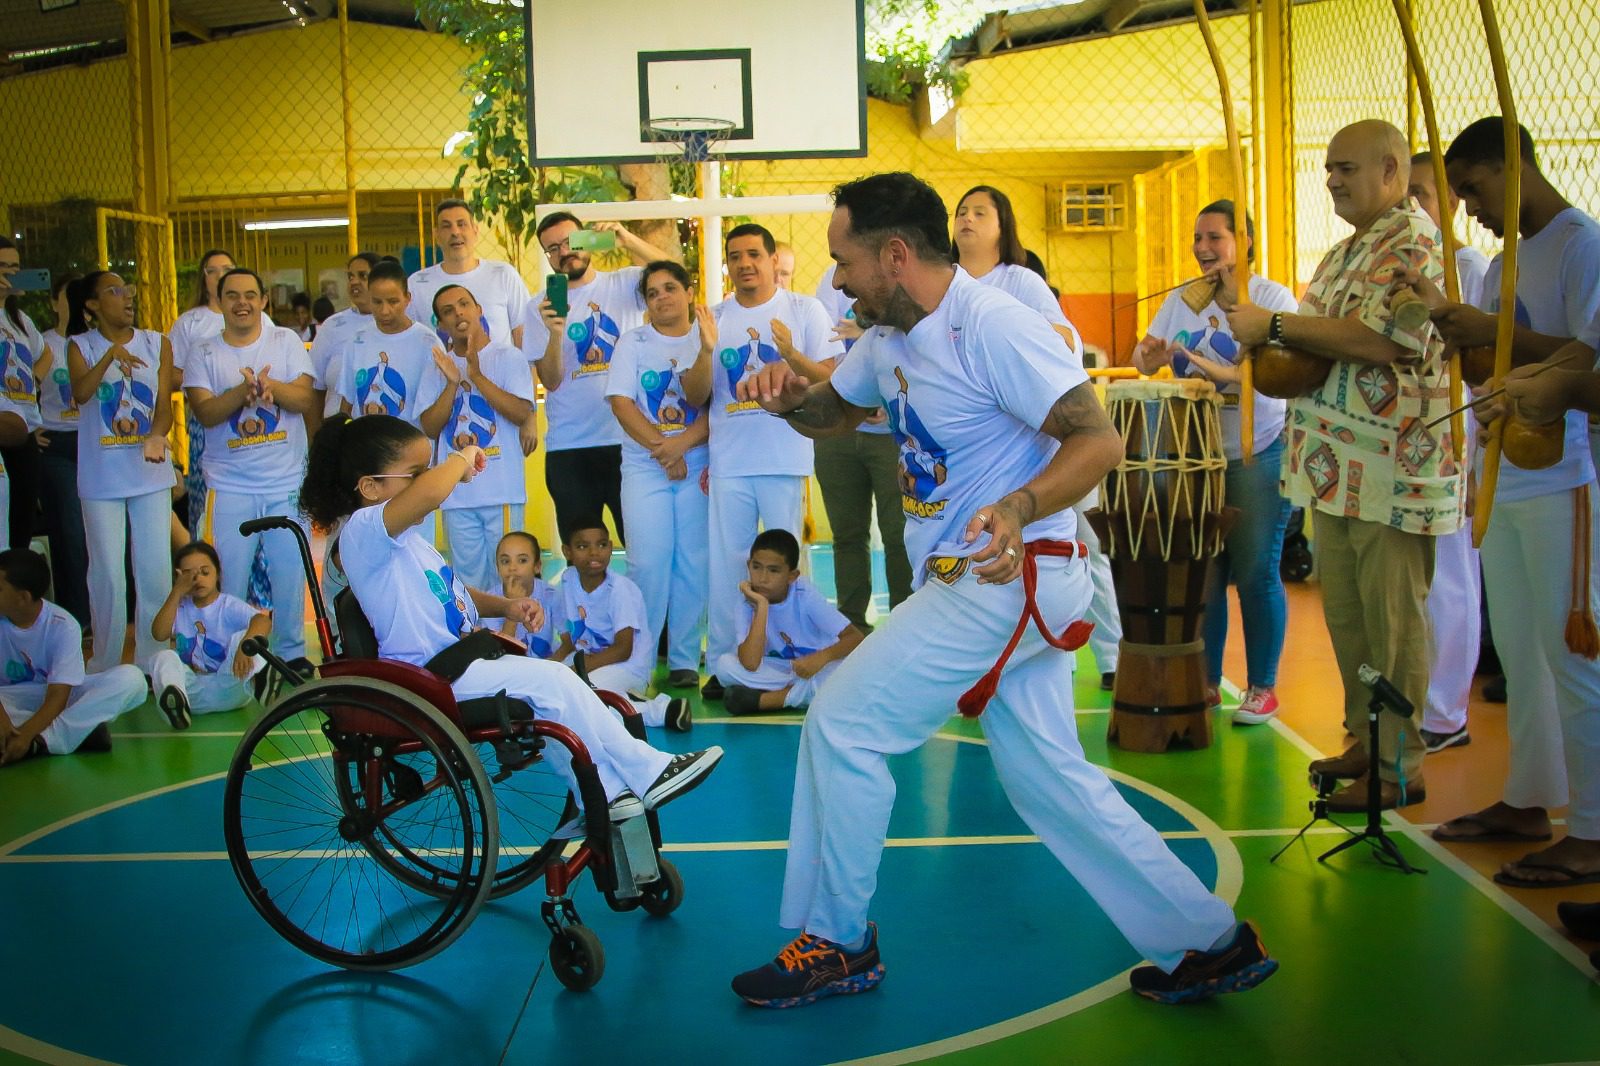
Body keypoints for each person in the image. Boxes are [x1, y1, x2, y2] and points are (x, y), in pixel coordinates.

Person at [730, 172, 1274, 1008]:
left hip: (1000, 576)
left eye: (844, 261)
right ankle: (1209, 941)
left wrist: (1019, 505)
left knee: (842, 724)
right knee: (1049, 778)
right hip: (996, 581)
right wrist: (783, 398)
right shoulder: (887, 341)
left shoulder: (993, 327)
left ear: (897, 255)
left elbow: (1098, 442)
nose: (836, 279)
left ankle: (839, 942)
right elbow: (832, 413)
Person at [298, 412, 722, 816]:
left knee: (551, 700)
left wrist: (505, 606)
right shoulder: (362, 533)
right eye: (414, 474)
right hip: (429, 677)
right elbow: (431, 492)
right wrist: (459, 458)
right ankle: (647, 770)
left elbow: (454, 593)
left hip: (457, 663)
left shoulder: (410, 541)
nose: (424, 482)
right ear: (370, 487)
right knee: (556, 678)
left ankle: (607, 795)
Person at [1226, 119, 1460, 811]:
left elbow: (1387, 341)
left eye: (1346, 168)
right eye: (1329, 168)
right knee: (1352, 622)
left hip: (1394, 473)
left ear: (1391, 171)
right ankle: (1365, 738)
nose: (1332, 179)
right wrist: (1271, 350)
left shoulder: (1415, 242)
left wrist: (1271, 327)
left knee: (1394, 623)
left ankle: (1400, 764)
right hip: (1333, 470)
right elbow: (1314, 348)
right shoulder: (1342, 253)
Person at [1415, 119, 1600, 889]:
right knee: (1522, 656)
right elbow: (1499, 365)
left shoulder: (1580, 245)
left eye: (1478, 187)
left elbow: (1584, 361)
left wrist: (1491, 335)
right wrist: (1469, 346)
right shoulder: (1497, 267)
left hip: (1568, 476)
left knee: (1573, 655)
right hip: (1508, 474)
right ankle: (1530, 800)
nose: (1469, 206)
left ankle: (1591, 830)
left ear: (1517, 166)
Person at [1132, 200, 1299, 725]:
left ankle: (1262, 686)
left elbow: (1257, 377)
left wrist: (1199, 366)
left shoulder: (1269, 298)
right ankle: (1206, 682)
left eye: (1216, 238)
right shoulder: (1182, 298)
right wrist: (1152, 354)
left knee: (1254, 572)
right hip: (1197, 454)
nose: (1202, 248)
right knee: (1205, 573)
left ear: (1245, 241)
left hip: (1257, 451)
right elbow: (1143, 358)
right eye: (1197, 238)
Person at [954, 187, 1120, 688]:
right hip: (986, 453)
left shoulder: (1019, 281)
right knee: (995, 552)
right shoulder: (948, 286)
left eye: (979, 212)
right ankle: (1031, 654)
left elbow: (1066, 341)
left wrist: (1008, 339)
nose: (966, 219)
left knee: (1081, 546)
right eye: (961, 211)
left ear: (1002, 226)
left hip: (1045, 444)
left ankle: (1114, 655)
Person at [682, 223, 841, 700]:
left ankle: (797, 652)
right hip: (730, 461)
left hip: (784, 456)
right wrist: (708, 350)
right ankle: (725, 663)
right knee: (729, 565)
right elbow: (696, 395)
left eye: (754, 254)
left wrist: (790, 354)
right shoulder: (713, 316)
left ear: (775, 261)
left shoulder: (804, 310)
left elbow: (832, 374)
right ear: (727, 265)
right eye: (736, 256)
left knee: (790, 565)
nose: (745, 263)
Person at [184, 266, 316, 665]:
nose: (241, 303)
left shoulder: (285, 340)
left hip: (286, 483)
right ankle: (231, 658)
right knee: (227, 579)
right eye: (232, 296)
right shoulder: (203, 351)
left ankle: (291, 656)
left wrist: (272, 389)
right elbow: (205, 412)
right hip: (229, 486)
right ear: (220, 302)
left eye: (249, 296)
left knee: (289, 576)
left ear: (262, 301)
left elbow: (304, 400)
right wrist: (243, 392)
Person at [1408, 150, 1493, 752]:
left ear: (1454, 202)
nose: (1414, 207)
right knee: (1415, 577)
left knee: (1452, 575)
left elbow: (1482, 364)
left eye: (1426, 195)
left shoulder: (1468, 266)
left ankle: (1445, 714)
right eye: (1405, 197)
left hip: (1457, 430)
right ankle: (1414, 701)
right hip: (1408, 436)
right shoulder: (1398, 263)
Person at [528, 212, 677, 538]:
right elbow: (550, 380)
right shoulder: (539, 306)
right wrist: (554, 332)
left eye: (570, 241)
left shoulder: (623, 284)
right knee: (581, 553)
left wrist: (626, 238)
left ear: (588, 239)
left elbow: (674, 275)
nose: (564, 252)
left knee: (641, 542)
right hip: (570, 448)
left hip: (627, 441)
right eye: (552, 248)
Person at [604, 261, 710, 688]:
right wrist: (663, 450)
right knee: (648, 562)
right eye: (652, 292)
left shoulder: (707, 336)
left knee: (692, 562)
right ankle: (641, 661)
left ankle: (684, 657)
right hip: (646, 468)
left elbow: (715, 406)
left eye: (670, 288)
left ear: (689, 292)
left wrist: (681, 446)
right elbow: (622, 404)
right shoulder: (633, 342)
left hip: (697, 464)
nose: (662, 297)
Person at [66, 271, 177, 673]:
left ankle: (153, 660)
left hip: (149, 474)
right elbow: (80, 393)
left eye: (127, 289)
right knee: (108, 573)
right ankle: (106, 663)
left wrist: (156, 434)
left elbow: (162, 402)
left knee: (153, 570)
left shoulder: (156, 343)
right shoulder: (79, 345)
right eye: (113, 291)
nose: (126, 297)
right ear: (92, 305)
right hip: (100, 479)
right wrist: (110, 356)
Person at [811, 262, 914, 635]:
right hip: (840, 428)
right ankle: (852, 625)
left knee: (899, 532)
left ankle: (905, 625)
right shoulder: (829, 281)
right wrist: (851, 396)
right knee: (847, 534)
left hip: (893, 432)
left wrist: (881, 397)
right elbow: (825, 347)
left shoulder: (902, 270)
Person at [417, 284, 535, 592]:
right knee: (469, 585)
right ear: (440, 324)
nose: (458, 313)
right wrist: (453, 383)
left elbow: (522, 413)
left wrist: (477, 375)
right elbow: (429, 428)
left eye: (463, 304)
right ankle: (480, 639)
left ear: (479, 309)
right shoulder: (437, 365)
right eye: (447, 311)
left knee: (511, 583)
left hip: (501, 493)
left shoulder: (508, 357)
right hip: (457, 495)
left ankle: (511, 640)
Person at [0, 548, 146, 764]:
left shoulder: (62, 625)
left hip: (57, 697)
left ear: (23, 598)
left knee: (133, 680)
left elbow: (58, 694)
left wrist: (26, 735)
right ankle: (82, 731)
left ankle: (43, 741)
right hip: (8, 699)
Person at [549, 516, 691, 732]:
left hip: (627, 666)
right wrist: (550, 667)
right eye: (582, 546)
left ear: (610, 547)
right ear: (567, 552)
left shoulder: (620, 589)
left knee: (582, 695)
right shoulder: (567, 583)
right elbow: (569, 641)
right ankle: (624, 699)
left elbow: (624, 650)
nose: (594, 552)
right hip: (590, 661)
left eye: (601, 545)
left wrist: (577, 671)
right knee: (557, 690)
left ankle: (658, 711)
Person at [718, 528, 863, 714]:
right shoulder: (747, 602)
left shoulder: (805, 596)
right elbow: (750, 663)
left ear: (792, 576)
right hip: (787, 670)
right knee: (724, 666)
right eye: (756, 567)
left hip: (821, 667)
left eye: (773, 571)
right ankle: (806, 694)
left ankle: (771, 700)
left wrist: (820, 659)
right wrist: (762, 606)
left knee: (845, 674)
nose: (762, 578)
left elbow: (855, 637)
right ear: (748, 565)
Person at [150, 540, 269, 727]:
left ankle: (260, 683)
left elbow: (262, 620)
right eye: (189, 575)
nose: (198, 579)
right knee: (163, 656)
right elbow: (158, 633)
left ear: (217, 574)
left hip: (230, 685)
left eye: (205, 572)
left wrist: (245, 645)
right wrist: (177, 592)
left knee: (246, 638)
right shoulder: (179, 607)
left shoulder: (227, 605)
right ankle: (176, 706)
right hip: (193, 694)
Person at [32, 273, 90, 628]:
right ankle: (77, 616)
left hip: (96, 444)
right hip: (57, 444)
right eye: (69, 296)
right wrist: (28, 426)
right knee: (70, 529)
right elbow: (20, 386)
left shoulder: (96, 344)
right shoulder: (43, 343)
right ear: (54, 302)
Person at [409, 200, 534, 350]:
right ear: (436, 235)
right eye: (446, 226)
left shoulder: (503, 274)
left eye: (461, 224)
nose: (455, 232)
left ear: (475, 230)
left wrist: (527, 372)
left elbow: (523, 335)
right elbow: (409, 340)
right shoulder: (417, 284)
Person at [169, 249, 234, 532]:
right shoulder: (189, 322)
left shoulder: (256, 317)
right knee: (205, 491)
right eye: (212, 270)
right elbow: (172, 374)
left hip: (246, 420)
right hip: (204, 420)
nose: (220, 275)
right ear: (203, 278)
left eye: (227, 268)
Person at [335, 262, 443, 426]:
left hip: (411, 445)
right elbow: (348, 402)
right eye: (377, 302)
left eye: (393, 302)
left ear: (407, 298)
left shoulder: (428, 343)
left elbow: (436, 408)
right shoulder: (357, 341)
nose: (385, 311)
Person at [0, 237, 44, 553]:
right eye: (3, 267)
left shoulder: (19, 319)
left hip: (24, 432)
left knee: (21, 521)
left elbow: (44, 355)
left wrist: (33, 386)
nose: (10, 274)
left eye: (15, 267)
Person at [308, 251, 381, 424]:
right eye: (350, 277)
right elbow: (315, 389)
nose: (354, 282)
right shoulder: (332, 326)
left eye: (363, 276)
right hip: (337, 430)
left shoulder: (396, 323)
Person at [496, 530, 561, 658]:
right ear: (497, 567)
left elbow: (569, 639)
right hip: (510, 665)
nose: (512, 568)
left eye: (522, 560)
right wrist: (512, 604)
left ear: (537, 566)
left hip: (547, 662)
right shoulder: (491, 601)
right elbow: (501, 654)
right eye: (505, 561)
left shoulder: (551, 594)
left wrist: (555, 664)